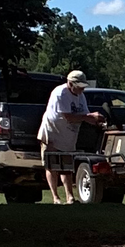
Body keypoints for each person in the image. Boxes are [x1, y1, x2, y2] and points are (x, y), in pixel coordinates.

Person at [38, 70, 93, 204]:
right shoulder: (60, 93)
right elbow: (68, 117)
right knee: (51, 165)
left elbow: (85, 115)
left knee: (66, 166)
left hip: (68, 135)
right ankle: (55, 197)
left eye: (83, 86)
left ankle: (70, 197)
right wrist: (87, 118)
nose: (81, 89)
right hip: (52, 132)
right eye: (78, 86)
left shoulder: (81, 95)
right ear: (70, 83)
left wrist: (96, 120)